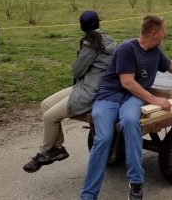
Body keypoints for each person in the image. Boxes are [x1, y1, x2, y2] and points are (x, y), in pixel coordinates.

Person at [80, 15, 172, 200]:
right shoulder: (127, 49)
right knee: (104, 138)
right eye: (164, 31)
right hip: (109, 97)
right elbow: (127, 82)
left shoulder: (155, 51)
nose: (166, 34)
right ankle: (88, 195)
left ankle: (136, 183)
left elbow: (170, 66)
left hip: (132, 98)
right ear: (154, 33)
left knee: (131, 123)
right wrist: (154, 99)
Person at [22, 10, 117, 173]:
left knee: (49, 116)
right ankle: (57, 148)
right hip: (87, 85)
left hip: (90, 91)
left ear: (81, 26)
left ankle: (44, 152)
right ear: (99, 23)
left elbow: (77, 71)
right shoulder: (110, 40)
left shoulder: (91, 44)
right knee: (45, 104)